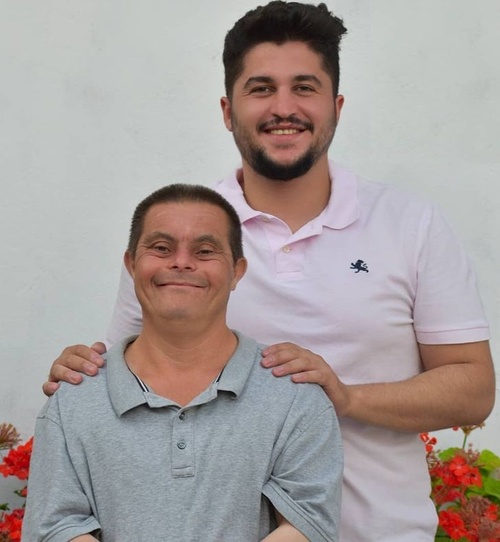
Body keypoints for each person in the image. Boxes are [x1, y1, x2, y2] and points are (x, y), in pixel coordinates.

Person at [44, 2, 496, 541]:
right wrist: (79, 374)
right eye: (260, 89)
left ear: (336, 106)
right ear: (227, 110)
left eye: (304, 87)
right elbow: (126, 372)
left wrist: (346, 398)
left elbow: (473, 389)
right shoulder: (185, 240)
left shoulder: (411, 224)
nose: (284, 108)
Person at [23, 184, 343, 542]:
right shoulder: (74, 400)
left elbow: (307, 526)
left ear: (237, 271)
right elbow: (56, 528)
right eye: (161, 248)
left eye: (204, 251)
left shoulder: (295, 397)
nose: (181, 262)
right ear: (132, 265)